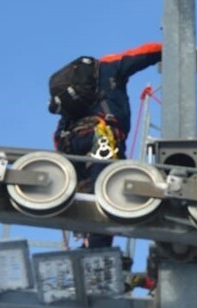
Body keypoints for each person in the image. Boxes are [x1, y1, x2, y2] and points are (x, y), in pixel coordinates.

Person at [52, 41, 163, 249]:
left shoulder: (73, 89)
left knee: (78, 200)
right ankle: (95, 249)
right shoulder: (108, 66)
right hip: (101, 137)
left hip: (70, 143)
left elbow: (57, 132)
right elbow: (143, 53)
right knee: (106, 192)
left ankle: (86, 244)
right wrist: (169, 48)